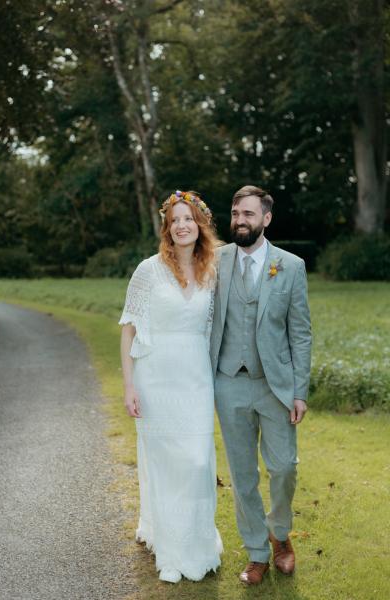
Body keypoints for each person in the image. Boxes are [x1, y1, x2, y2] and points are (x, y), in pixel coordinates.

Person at [119, 190, 223, 584]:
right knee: (165, 465)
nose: (182, 225)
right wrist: (129, 385)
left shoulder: (213, 271)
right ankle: (170, 550)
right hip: (154, 377)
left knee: (196, 463)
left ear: (200, 225)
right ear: (167, 227)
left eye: (189, 218)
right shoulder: (148, 270)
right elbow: (128, 330)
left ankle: (196, 542)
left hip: (195, 379)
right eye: (175, 219)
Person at [210, 185, 312, 585]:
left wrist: (299, 390)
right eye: (236, 213)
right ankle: (256, 553)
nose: (240, 220)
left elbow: (300, 333)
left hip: (276, 386)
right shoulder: (215, 261)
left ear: (266, 219)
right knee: (242, 475)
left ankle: (280, 535)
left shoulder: (291, 266)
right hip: (227, 383)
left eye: (248, 214)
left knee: (284, 467)